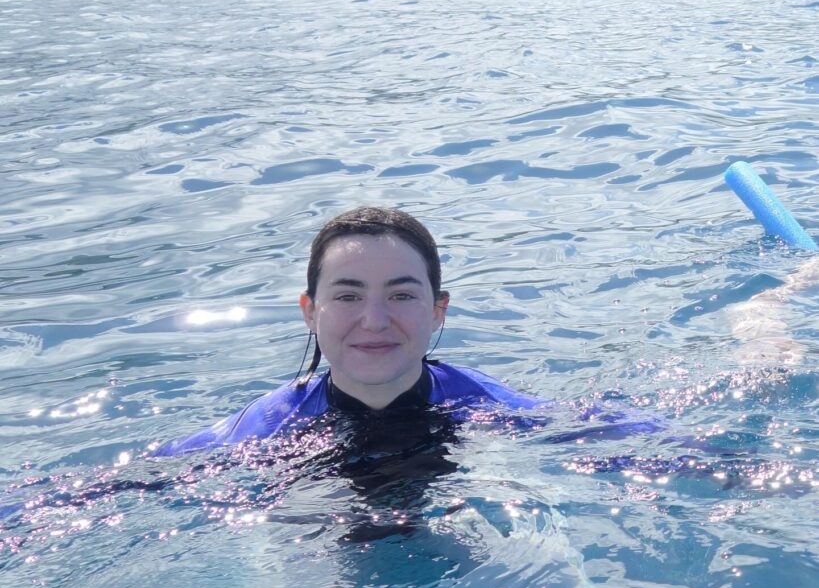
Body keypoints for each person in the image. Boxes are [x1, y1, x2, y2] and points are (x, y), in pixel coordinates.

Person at [154, 206, 659, 457]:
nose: (374, 320)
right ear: (310, 311)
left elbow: (619, 438)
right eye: (348, 296)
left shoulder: (480, 405)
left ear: (438, 310)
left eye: (401, 295)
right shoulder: (268, 427)